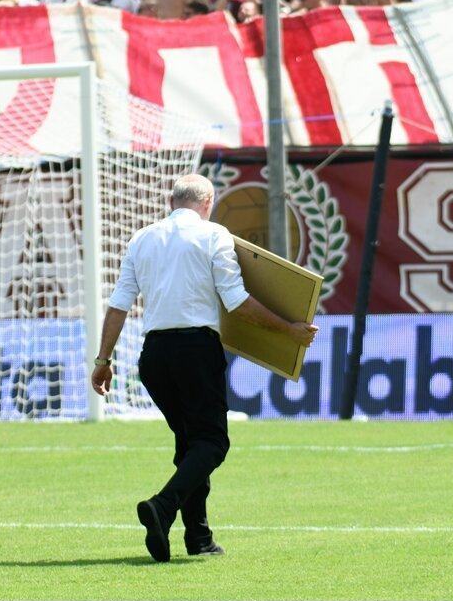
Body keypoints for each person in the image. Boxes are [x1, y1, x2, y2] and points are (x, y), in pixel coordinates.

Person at [91, 174, 318, 563]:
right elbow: (238, 302)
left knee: (191, 444)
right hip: (196, 350)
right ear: (207, 202)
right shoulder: (215, 236)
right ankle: (162, 507)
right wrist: (289, 331)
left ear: (172, 200)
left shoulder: (142, 239)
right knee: (213, 443)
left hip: (154, 357)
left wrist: (103, 360)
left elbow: (119, 305)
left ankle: (198, 536)